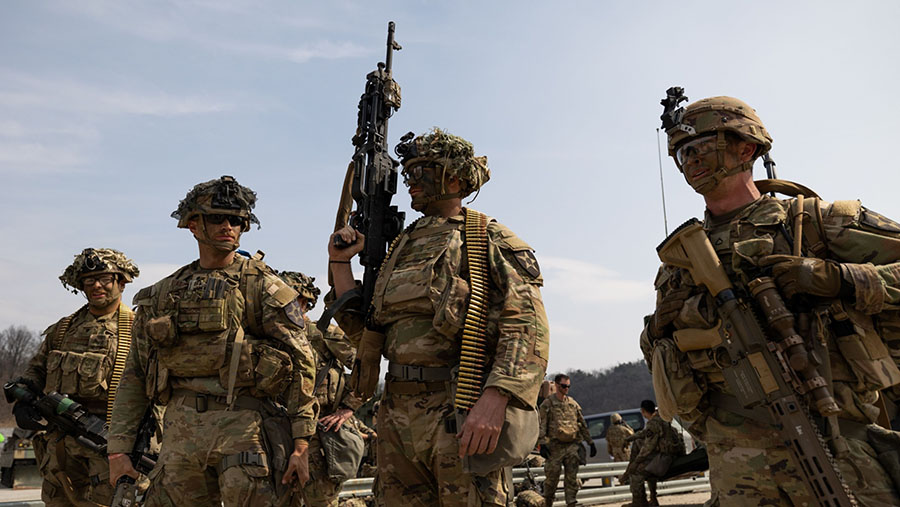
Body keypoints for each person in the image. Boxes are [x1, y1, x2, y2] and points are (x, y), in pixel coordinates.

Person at [641, 93, 900, 505]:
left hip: (836, 448)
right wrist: (656, 330)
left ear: (747, 148)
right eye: (682, 152)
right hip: (735, 467)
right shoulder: (679, 261)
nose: (690, 160)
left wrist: (841, 278)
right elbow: (662, 354)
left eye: (701, 146)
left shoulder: (818, 222)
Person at [327, 128, 550, 506]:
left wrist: (496, 398)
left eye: (421, 171)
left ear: (455, 176)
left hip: (459, 408)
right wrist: (339, 263)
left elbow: (526, 325)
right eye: (408, 172)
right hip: (397, 413)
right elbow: (365, 331)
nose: (410, 182)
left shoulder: (486, 238)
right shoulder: (399, 245)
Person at [107, 176, 319, 506]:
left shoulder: (263, 287)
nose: (227, 226)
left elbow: (302, 364)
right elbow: (135, 375)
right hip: (180, 435)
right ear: (193, 224)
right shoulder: (163, 295)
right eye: (216, 218)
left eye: (236, 220)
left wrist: (302, 444)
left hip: (246, 431)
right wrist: (118, 448)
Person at [13, 248, 139, 506]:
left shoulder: (137, 328)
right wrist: (24, 400)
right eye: (88, 280)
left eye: (105, 278)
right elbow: (38, 368)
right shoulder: (63, 329)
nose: (96, 285)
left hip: (109, 446)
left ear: (122, 281)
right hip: (60, 447)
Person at [278, 270, 364, 507]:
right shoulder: (268, 336)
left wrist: (348, 408)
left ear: (305, 303)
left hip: (318, 435)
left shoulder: (324, 333)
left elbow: (366, 367)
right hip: (277, 433)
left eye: (291, 300)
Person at [537, 374, 594, 507]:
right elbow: (541, 424)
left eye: (568, 386)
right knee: (551, 480)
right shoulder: (548, 403)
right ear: (557, 385)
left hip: (571, 446)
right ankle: (548, 503)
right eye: (564, 386)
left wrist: (590, 442)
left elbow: (582, 423)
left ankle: (571, 503)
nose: (566, 388)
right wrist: (542, 443)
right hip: (554, 448)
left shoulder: (573, 404)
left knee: (572, 479)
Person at [622, 400, 683, 507]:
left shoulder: (653, 423)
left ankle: (639, 503)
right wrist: (631, 438)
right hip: (671, 456)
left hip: (665, 458)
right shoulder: (662, 419)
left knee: (636, 472)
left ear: (643, 411)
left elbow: (648, 448)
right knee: (648, 470)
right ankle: (653, 499)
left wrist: (634, 464)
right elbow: (646, 433)